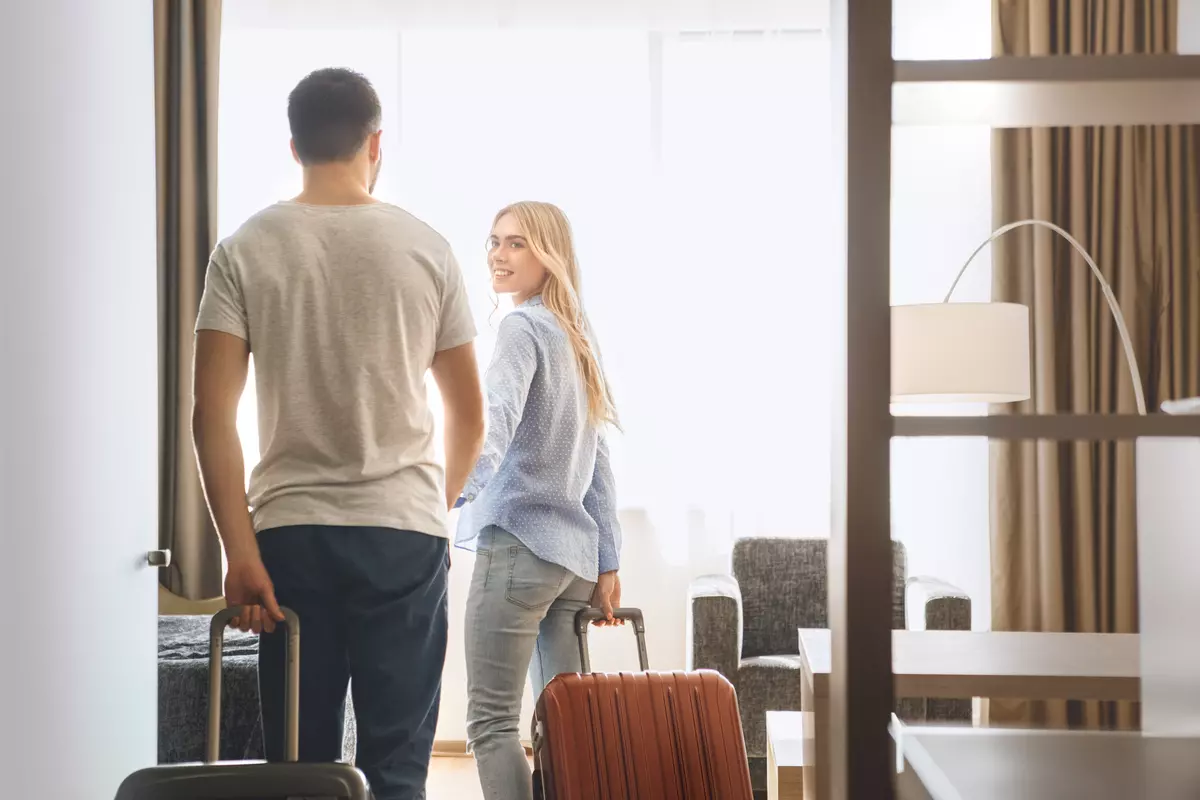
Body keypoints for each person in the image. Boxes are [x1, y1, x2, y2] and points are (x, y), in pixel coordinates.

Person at [191, 67, 486, 800]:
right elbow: (470, 415)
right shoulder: (429, 250)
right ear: (374, 144)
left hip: (291, 536)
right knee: (396, 768)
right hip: (403, 536)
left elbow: (211, 418)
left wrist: (239, 551)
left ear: (294, 146)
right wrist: (431, 507)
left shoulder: (244, 249)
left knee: (299, 770)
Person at [455, 201, 623, 800]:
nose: (499, 255)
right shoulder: (576, 335)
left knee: (493, 723)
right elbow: (597, 455)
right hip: (571, 565)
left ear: (549, 256)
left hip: (519, 552)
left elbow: (491, 423)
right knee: (567, 728)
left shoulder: (522, 328)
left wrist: (448, 493)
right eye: (494, 241)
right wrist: (608, 559)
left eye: (517, 244)